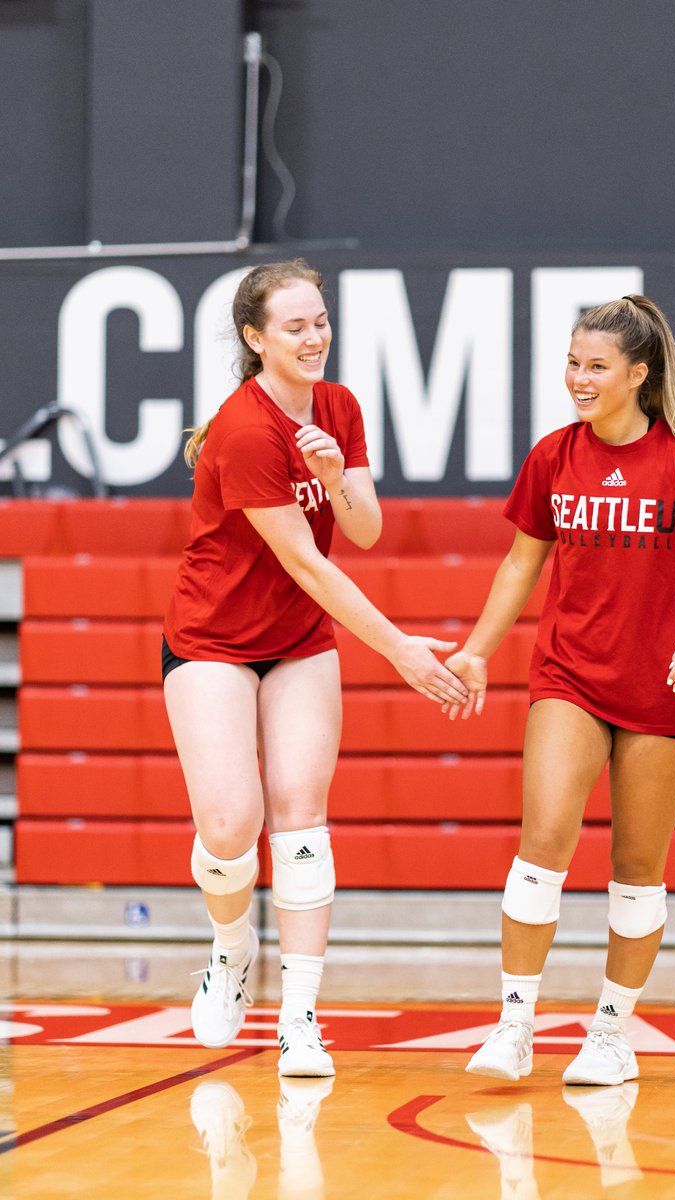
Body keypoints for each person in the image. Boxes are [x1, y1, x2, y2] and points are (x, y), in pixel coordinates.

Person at [444, 295, 675, 1086]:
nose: (578, 379)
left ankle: (611, 1035)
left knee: (636, 866)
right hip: (570, 674)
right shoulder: (554, 456)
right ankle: (514, 1025)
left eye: (595, 366)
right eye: (572, 363)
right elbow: (522, 563)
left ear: (638, 375)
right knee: (544, 841)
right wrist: (477, 651)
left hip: (662, 687)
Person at [162, 259, 468, 1077]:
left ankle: (300, 1017)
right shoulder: (243, 430)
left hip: (299, 642)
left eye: (320, 319)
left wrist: (336, 480)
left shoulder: (338, 406)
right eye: (294, 325)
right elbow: (309, 565)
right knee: (230, 824)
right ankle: (230, 952)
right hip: (213, 638)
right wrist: (400, 648)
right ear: (255, 338)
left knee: (301, 819)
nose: (314, 335)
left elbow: (363, 532)